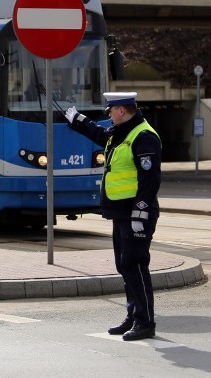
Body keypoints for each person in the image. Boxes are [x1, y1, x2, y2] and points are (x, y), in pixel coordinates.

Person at [65, 92, 162, 341]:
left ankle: (145, 321)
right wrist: (78, 120)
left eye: (111, 111)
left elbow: (150, 181)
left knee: (135, 264)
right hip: (122, 213)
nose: (109, 115)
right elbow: (100, 134)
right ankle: (133, 315)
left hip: (136, 212)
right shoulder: (122, 134)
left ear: (121, 111)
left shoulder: (143, 136)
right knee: (124, 265)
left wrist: (140, 212)